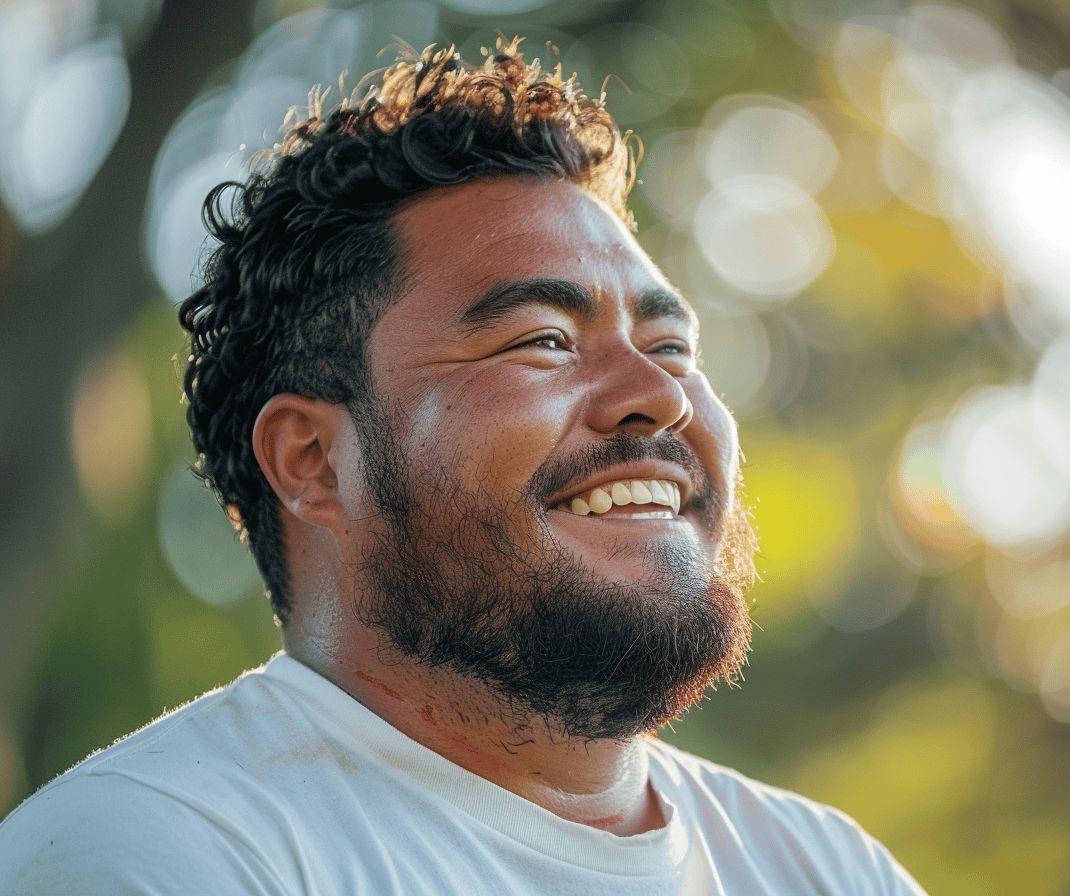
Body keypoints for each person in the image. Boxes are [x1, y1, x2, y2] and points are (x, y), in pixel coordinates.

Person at [0, 37, 925, 895]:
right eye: (544, 340)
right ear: (314, 460)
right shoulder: (153, 853)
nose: (662, 396)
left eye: (673, 345)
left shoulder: (832, 870)